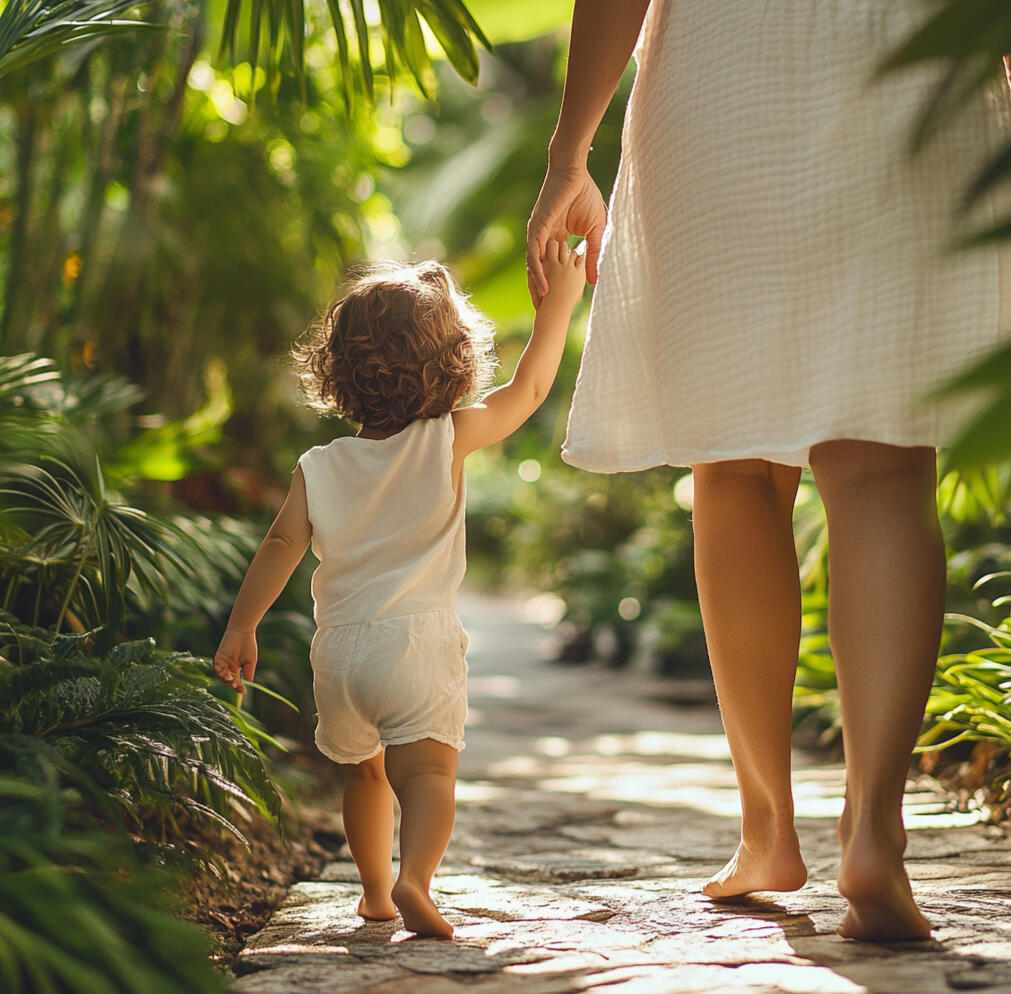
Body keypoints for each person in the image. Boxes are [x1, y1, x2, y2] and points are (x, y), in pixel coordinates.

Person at [527, 0, 1010, 942]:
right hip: (907, 62)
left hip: (723, 79)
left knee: (735, 465)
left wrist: (567, 156)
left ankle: (766, 832)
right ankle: (873, 830)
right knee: (880, 469)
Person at [212, 245, 586, 938]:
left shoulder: (319, 464)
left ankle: (375, 892)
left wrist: (242, 628)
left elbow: (281, 547)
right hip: (415, 646)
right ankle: (416, 879)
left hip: (341, 655)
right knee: (428, 776)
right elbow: (530, 392)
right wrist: (557, 305)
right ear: (452, 363)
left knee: (364, 776)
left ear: (338, 372)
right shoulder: (446, 439)